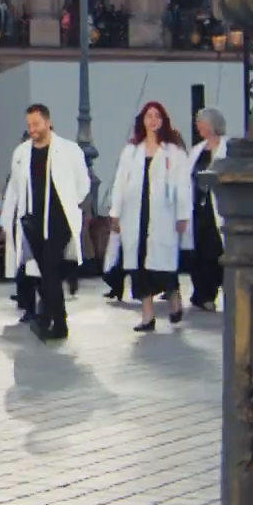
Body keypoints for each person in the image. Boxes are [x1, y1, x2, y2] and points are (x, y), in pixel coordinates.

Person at [0, 103, 90, 342]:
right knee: (43, 274)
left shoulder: (69, 150)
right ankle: (51, 318)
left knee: (49, 268)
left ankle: (57, 323)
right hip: (31, 222)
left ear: (48, 122)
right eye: (29, 125)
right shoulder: (21, 153)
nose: (32, 129)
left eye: (36, 124)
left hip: (59, 221)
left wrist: (70, 204)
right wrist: (6, 218)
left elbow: (83, 185)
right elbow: (14, 188)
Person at [108, 102, 191, 333]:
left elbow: (183, 186)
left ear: (163, 120)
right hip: (135, 215)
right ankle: (147, 316)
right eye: (148, 116)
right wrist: (115, 212)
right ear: (142, 120)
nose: (152, 120)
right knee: (139, 264)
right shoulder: (131, 151)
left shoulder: (173, 152)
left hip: (163, 214)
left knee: (163, 265)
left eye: (157, 116)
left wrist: (183, 214)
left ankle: (174, 298)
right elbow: (119, 184)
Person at [182, 108, 228, 312]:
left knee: (215, 249)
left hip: (216, 206)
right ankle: (201, 294)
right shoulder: (197, 150)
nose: (199, 127)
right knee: (198, 251)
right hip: (197, 207)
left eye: (202, 123)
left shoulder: (228, 148)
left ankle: (213, 291)